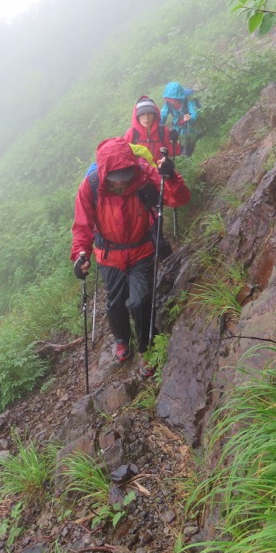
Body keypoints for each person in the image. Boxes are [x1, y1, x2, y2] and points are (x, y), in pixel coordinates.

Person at [71, 137, 191, 376]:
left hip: (141, 251)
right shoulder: (91, 186)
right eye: (116, 180)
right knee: (115, 303)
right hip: (109, 256)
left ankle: (147, 347)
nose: (122, 184)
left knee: (140, 300)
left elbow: (178, 198)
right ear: (105, 173)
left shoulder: (144, 176)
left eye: (125, 177)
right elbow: (82, 226)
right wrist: (81, 254)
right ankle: (121, 339)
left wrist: (171, 176)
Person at [123, 95, 181, 164]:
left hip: (159, 172)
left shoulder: (162, 131)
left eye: (150, 113)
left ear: (155, 115)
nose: (146, 118)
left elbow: (170, 151)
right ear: (137, 116)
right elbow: (124, 154)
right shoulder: (132, 133)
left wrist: (177, 143)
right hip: (141, 173)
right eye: (142, 114)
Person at [160, 82, 199, 157]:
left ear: (178, 97)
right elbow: (163, 115)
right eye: (169, 99)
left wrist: (190, 118)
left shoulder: (189, 100)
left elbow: (194, 114)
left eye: (172, 99)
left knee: (188, 149)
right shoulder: (168, 103)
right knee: (179, 148)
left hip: (190, 128)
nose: (171, 101)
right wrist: (156, 121)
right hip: (177, 128)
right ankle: (181, 159)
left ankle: (187, 159)